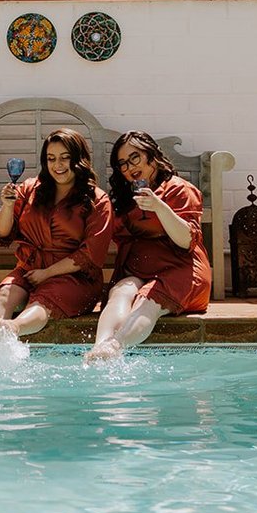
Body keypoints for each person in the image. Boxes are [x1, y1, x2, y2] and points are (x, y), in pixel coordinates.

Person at [86, 130, 211, 362]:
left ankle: (115, 346)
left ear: (152, 157)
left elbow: (186, 240)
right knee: (122, 290)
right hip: (139, 268)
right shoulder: (125, 197)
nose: (129, 167)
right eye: (122, 163)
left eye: (135, 157)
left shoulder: (179, 189)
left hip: (180, 268)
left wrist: (160, 207)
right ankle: (98, 349)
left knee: (147, 298)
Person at [0, 128, 113, 338]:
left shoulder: (97, 200)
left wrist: (47, 273)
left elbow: (90, 255)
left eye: (64, 158)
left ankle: (11, 330)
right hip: (30, 269)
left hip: (75, 277)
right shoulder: (30, 188)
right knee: (5, 293)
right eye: (51, 159)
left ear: (79, 159)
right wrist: (6, 206)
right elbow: (4, 233)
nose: (57, 165)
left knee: (42, 301)